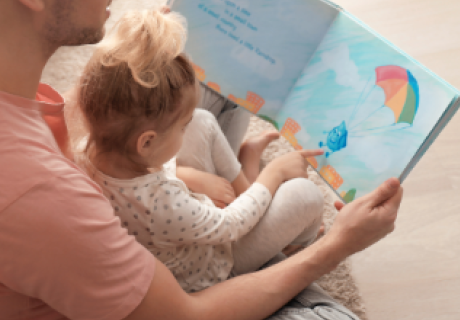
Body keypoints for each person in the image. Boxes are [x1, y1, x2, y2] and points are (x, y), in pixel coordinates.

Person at [0, 1, 403, 320]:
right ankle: (276, 258)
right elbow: (185, 313)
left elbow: (91, 139)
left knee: (184, 78)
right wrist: (338, 246)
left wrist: (177, 170)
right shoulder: (40, 199)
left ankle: (266, 245)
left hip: (86, 237)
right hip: (168, 291)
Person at [74, 9, 325, 292]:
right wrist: (275, 174)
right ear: (146, 142)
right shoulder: (161, 203)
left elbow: (152, 175)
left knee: (203, 120)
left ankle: (248, 182)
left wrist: (187, 174)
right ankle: (297, 243)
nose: (185, 130)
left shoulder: (88, 149)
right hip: (217, 262)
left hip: (192, 221)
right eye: (181, 128)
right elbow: (231, 224)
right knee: (305, 195)